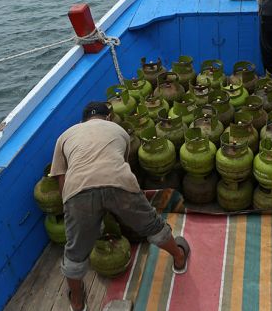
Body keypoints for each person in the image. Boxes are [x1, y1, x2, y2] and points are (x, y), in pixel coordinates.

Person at [50, 101, 190, 311]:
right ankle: (179, 258)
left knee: (75, 251)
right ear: (107, 117)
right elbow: (121, 167)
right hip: (118, 181)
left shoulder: (65, 136)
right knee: (151, 225)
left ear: (83, 120)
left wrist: (71, 207)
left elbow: (60, 177)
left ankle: (78, 302)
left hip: (77, 190)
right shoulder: (119, 130)